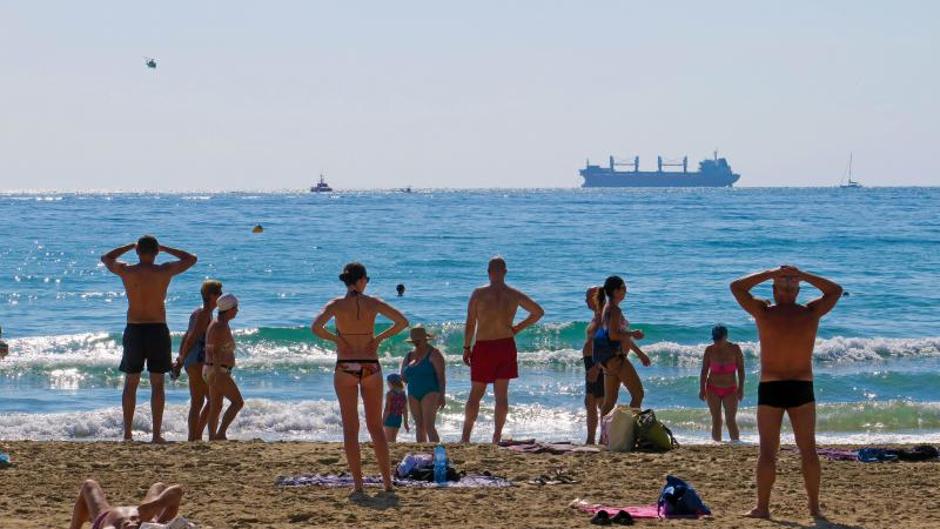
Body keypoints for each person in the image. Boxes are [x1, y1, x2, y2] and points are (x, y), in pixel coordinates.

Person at [731, 265, 842, 519]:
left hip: (771, 386)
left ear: (773, 289)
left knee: (768, 451)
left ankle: (763, 507)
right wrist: (802, 275)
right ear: (798, 289)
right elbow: (834, 291)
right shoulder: (811, 312)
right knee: (808, 450)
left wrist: (770, 273)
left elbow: (737, 287)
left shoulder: (763, 312)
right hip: (801, 385)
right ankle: (814, 509)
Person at [311, 262, 409, 492]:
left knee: (350, 428)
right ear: (361, 279)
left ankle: (358, 485)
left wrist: (337, 339)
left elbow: (316, 327)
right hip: (370, 365)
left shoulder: (336, 305)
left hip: (345, 365)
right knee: (376, 427)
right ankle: (386, 483)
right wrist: (379, 338)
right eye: (366, 279)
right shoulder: (373, 302)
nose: (367, 283)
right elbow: (402, 322)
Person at [101, 236, 197, 443]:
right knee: (157, 383)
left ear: (137, 251)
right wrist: (165, 248)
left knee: (131, 382)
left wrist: (129, 246)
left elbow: (106, 258)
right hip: (157, 328)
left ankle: (128, 434)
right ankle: (155, 435)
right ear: (156, 252)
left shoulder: (127, 271)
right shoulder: (164, 270)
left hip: (134, 328)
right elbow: (191, 258)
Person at [461, 256, 544, 444]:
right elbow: (538, 312)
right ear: (505, 272)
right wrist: (516, 328)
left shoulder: (479, 293)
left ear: (488, 272)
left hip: (484, 346)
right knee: (501, 395)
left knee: (476, 393)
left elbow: (470, 323)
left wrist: (466, 347)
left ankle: (466, 436)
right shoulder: (513, 294)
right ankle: (496, 436)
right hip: (505, 344)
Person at [172, 279, 223, 441]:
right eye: (219, 293)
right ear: (211, 296)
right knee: (213, 400)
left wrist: (181, 358)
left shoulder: (198, 312)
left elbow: (186, 336)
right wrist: (180, 360)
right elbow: (191, 337)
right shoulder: (204, 314)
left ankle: (194, 436)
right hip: (198, 361)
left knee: (199, 401)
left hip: (192, 360)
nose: (221, 296)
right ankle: (196, 436)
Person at [594, 276, 651, 417]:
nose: (626, 290)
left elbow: (619, 335)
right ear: (615, 291)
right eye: (623, 288)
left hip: (609, 360)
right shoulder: (614, 310)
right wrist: (633, 333)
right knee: (638, 394)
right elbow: (614, 335)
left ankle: (605, 437)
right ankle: (631, 431)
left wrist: (640, 354)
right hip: (617, 358)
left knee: (610, 401)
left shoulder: (608, 308)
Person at [204, 293, 244, 441]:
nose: (237, 311)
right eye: (235, 308)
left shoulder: (218, 322)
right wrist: (217, 374)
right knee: (238, 402)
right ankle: (220, 433)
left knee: (216, 406)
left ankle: (213, 436)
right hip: (217, 369)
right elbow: (214, 351)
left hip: (212, 369)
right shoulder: (220, 326)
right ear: (229, 309)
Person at [69, 479, 183, 529]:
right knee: (159, 486)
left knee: (89, 485)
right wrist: (157, 504)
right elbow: (177, 491)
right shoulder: (152, 522)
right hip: (145, 511)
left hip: (106, 515)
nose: (132, 525)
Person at [699, 325, 745, 442]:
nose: (717, 341)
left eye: (719, 338)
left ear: (726, 336)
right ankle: (717, 444)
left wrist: (741, 388)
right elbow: (704, 371)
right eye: (715, 338)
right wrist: (702, 389)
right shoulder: (709, 350)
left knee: (730, 419)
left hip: (730, 389)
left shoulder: (735, 349)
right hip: (712, 388)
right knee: (716, 419)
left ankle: (736, 444)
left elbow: (741, 370)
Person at [400, 325, 446, 443]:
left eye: (418, 341)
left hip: (430, 391)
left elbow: (441, 377)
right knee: (419, 426)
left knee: (429, 425)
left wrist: (442, 395)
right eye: (413, 342)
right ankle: (422, 452)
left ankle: (436, 451)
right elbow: (404, 378)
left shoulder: (434, 354)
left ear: (425, 339)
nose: (415, 343)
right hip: (413, 392)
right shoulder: (409, 355)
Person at [582, 287, 605, 444]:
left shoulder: (604, 316)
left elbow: (608, 343)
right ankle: (591, 439)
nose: (585, 301)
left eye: (588, 297)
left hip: (598, 362)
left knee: (602, 401)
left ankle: (603, 438)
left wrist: (597, 366)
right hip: (590, 361)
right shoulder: (596, 317)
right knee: (590, 401)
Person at [382, 373, 409, 442]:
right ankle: (392, 451)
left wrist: (383, 420)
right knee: (393, 438)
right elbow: (405, 410)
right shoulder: (403, 394)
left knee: (387, 439)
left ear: (391, 383)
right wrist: (405, 423)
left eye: (388, 383)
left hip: (390, 418)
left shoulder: (390, 394)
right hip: (398, 418)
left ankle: (389, 452)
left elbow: (387, 408)